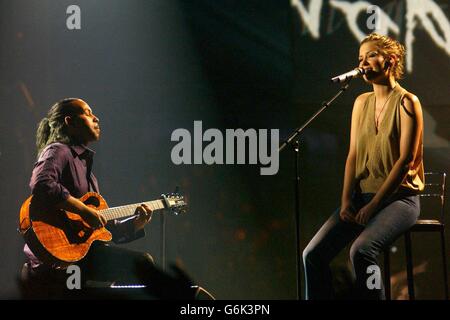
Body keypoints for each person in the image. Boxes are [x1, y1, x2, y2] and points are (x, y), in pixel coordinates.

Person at [22, 97, 195, 299]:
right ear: (69, 121)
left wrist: (135, 224)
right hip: (58, 258)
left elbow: (102, 230)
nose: (95, 118)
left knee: (138, 267)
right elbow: (42, 184)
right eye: (87, 113)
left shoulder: (90, 176)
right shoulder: (58, 150)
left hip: (83, 255)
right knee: (142, 265)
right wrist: (84, 211)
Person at [302, 33, 424, 300]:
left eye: (370, 55)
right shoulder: (361, 103)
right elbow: (353, 155)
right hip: (362, 197)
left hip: (399, 200)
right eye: (360, 58)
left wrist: (374, 205)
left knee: (362, 250)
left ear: (390, 60)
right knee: (312, 255)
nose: (363, 62)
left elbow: (404, 161)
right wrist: (346, 200)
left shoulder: (407, 102)